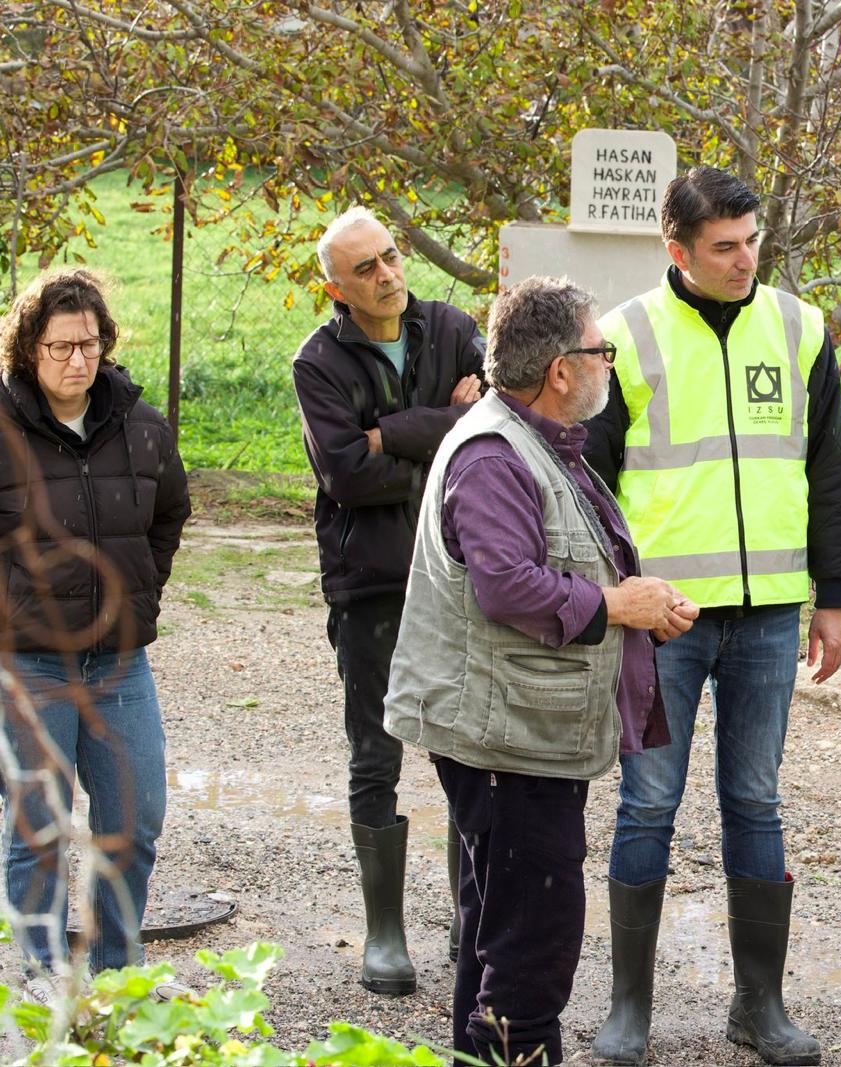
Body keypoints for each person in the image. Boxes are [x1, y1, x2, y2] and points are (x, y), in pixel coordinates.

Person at [584, 165, 841, 1067]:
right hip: (663, 618)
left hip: (771, 612)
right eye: (725, 247)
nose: (746, 261)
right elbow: (588, 486)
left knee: (755, 800)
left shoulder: (801, 326)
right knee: (647, 803)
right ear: (678, 250)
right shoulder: (623, 336)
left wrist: (834, 597)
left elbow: (830, 468)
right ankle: (629, 1010)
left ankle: (760, 1006)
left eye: (752, 242)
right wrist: (621, 597)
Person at [384, 275, 696, 1066]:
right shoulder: (493, 455)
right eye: (601, 349)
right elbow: (507, 586)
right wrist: (618, 604)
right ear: (560, 370)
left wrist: (642, 606)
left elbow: (554, 562)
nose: (609, 362)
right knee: (531, 946)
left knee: (499, 931)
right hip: (507, 741)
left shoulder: (537, 441)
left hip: (521, 732)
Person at [292, 205, 485, 995]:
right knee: (376, 755)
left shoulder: (454, 329)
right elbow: (346, 474)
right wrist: (442, 430)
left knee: (466, 749)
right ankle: (384, 933)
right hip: (370, 583)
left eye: (391, 256)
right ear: (336, 288)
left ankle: (471, 918)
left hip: (458, 574)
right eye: (366, 268)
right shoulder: (317, 362)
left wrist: (389, 433)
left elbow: (492, 431)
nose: (387, 275)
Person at [0, 270, 191, 997]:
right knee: (39, 830)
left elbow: (169, 514)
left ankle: (116, 973)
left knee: (134, 821)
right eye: (60, 346)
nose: (77, 360)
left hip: (119, 664)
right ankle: (44, 979)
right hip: (29, 665)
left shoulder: (141, 426)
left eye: (89, 344)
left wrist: (140, 592)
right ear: (29, 349)